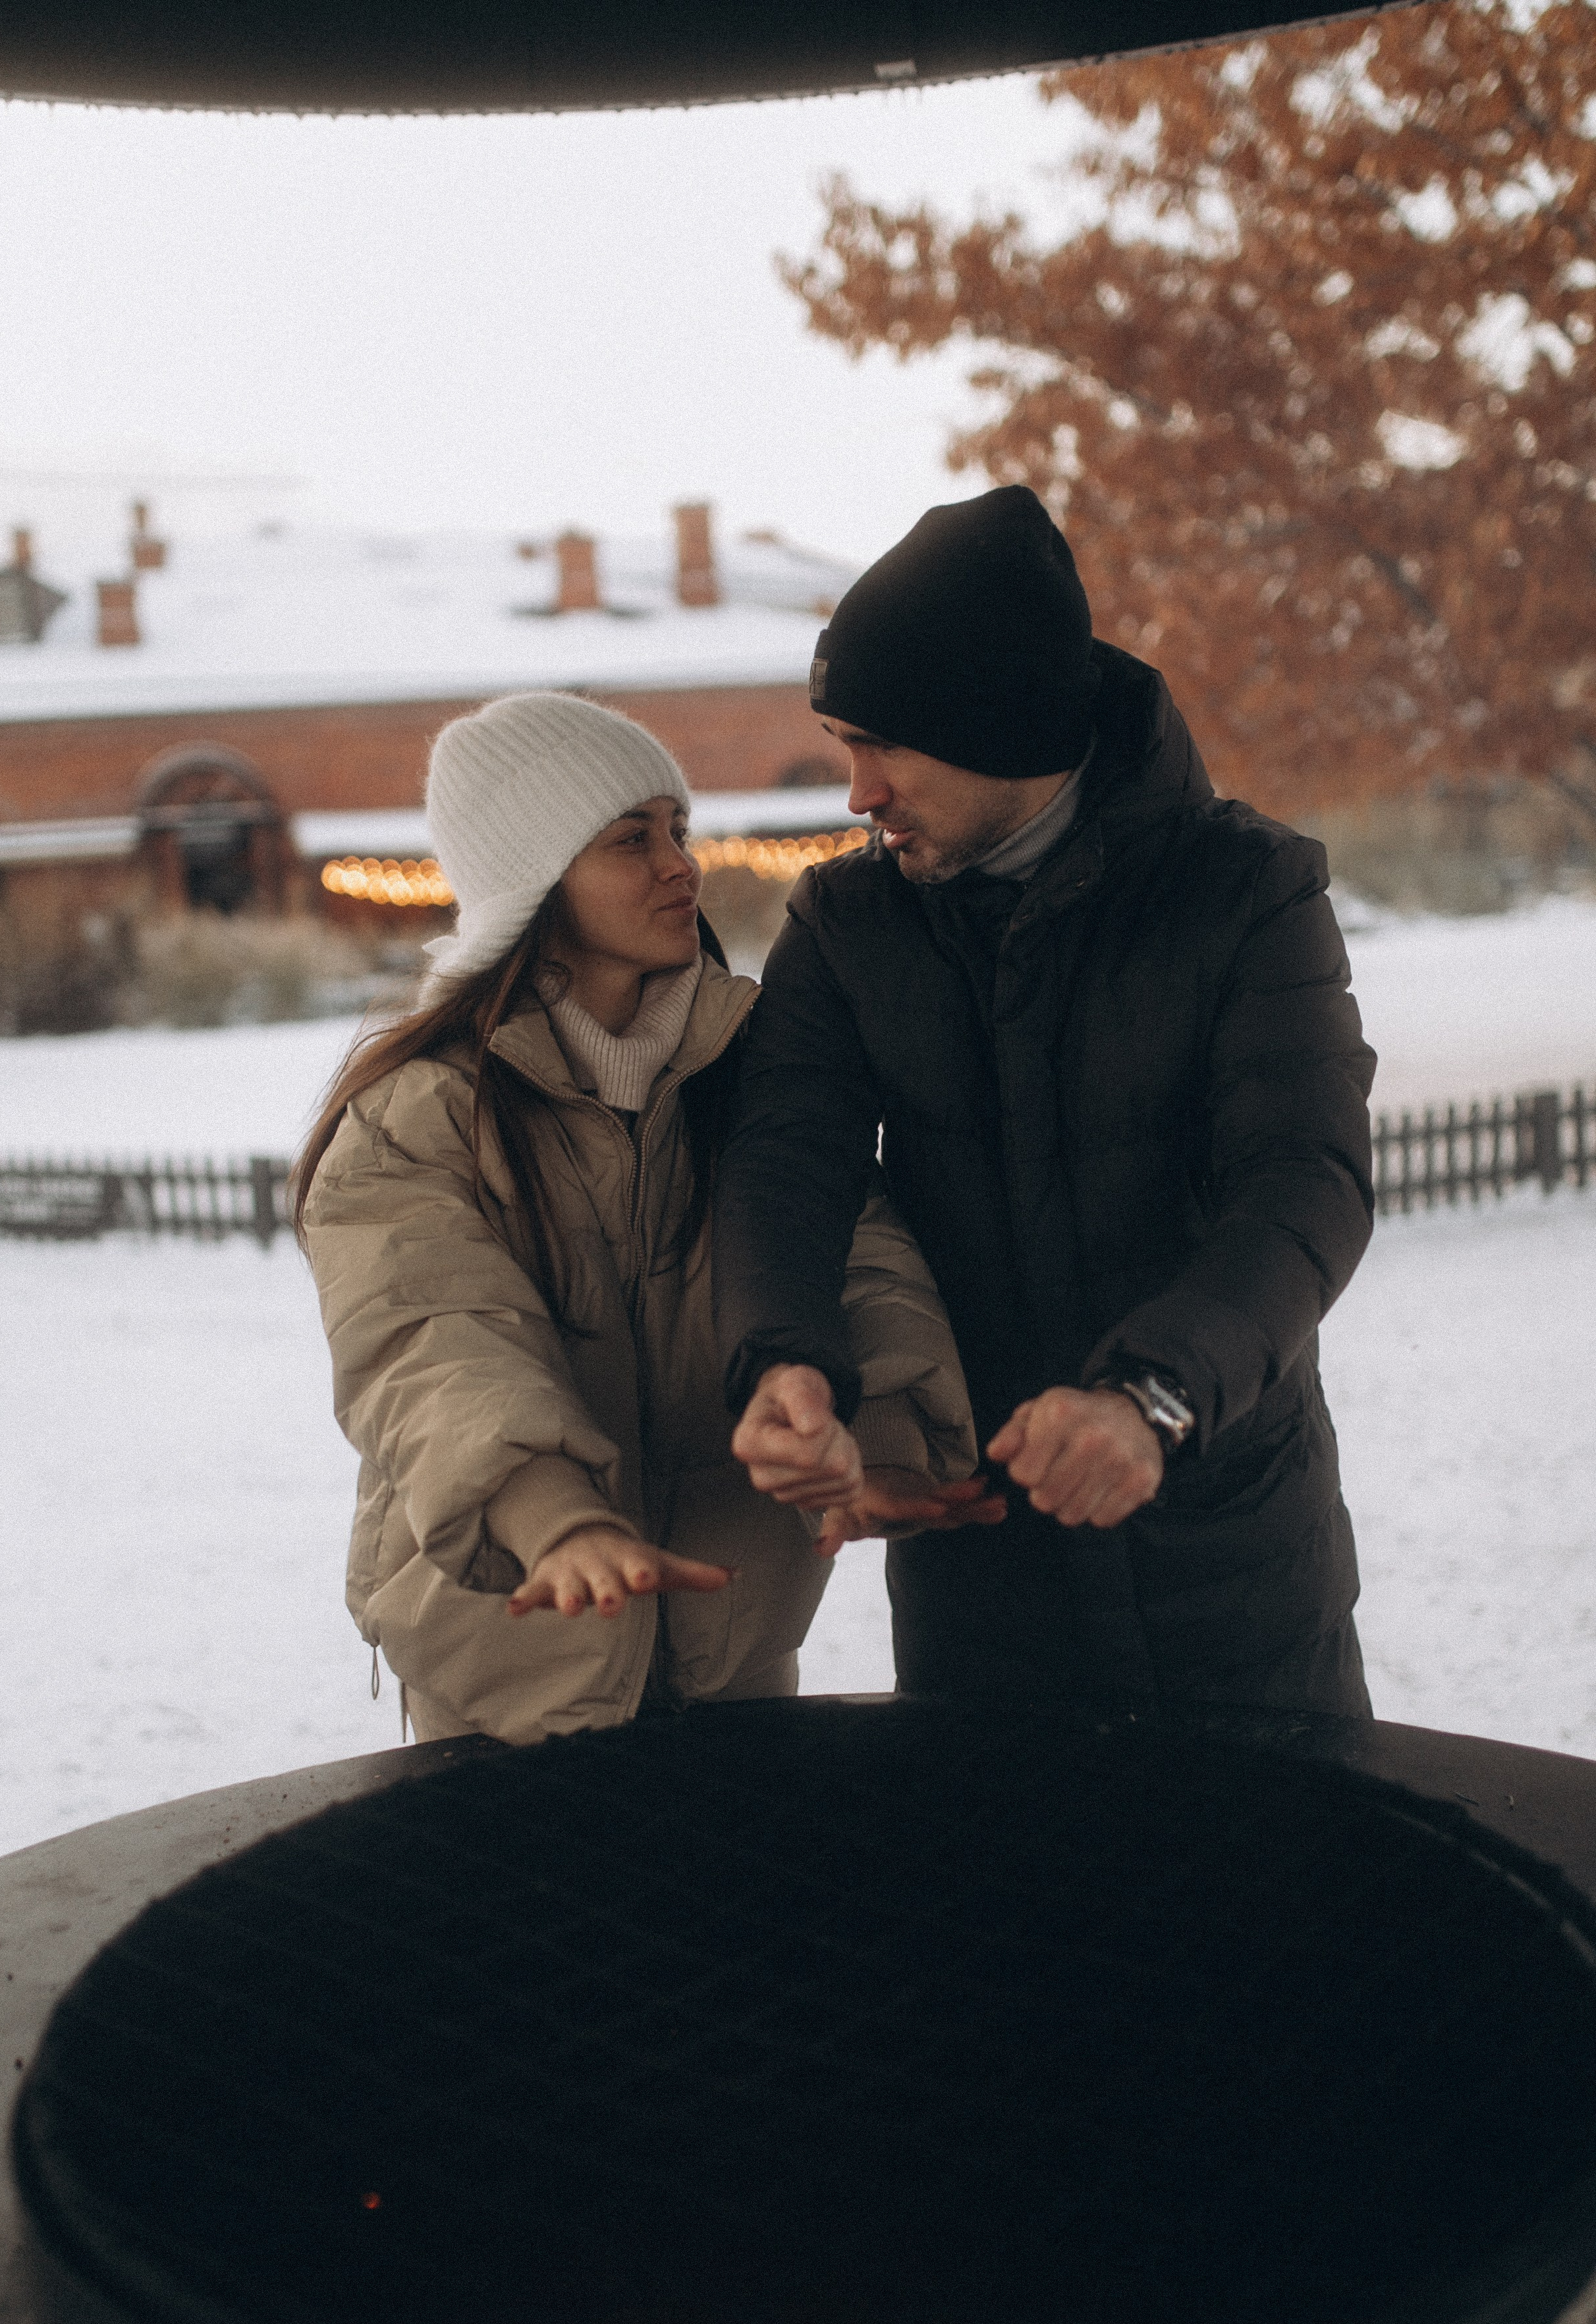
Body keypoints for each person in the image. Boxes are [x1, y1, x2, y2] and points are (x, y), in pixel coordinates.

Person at [715, 486, 1377, 1715]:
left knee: (1277, 1900)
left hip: (1229, 1557)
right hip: (983, 1580)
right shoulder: (847, 922)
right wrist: (783, 1359)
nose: (855, 792)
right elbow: (783, 1161)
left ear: (998, 728)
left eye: (882, 746)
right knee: (1010, 1905)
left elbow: (1304, 1188)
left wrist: (1152, 1399)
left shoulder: (1249, 893)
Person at [294, 691, 991, 1745]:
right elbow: (428, 1338)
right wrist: (551, 1519)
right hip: (506, 1667)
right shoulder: (422, 1111)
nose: (680, 864)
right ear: (533, 880)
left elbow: (850, 1254)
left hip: (735, 1647)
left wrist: (879, 1440)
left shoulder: (758, 1065)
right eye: (631, 839)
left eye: (678, 830)